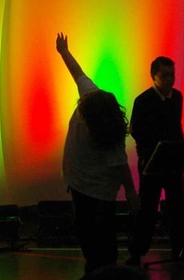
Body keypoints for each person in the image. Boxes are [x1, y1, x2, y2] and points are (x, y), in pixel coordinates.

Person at [56, 33, 141, 277]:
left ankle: (101, 271)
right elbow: (77, 73)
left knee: (98, 234)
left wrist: (132, 192)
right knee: (91, 231)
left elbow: (120, 165)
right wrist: (64, 52)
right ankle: (98, 269)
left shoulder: (105, 132)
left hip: (97, 188)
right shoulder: (91, 97)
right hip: (84, 184)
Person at [125, 56, 184, 265]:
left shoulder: (176, 97)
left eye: (171, 75)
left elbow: (176, 128)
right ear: (154, 76)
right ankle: (138, 250)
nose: (170, 79)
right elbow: (138, 132)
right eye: (165, 75)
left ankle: (180, 248)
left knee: (177, 207)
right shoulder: (144, 100)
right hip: (153, 162)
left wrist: (180, 151)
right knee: (148, 207)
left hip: (172, 160)